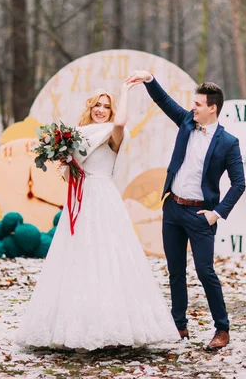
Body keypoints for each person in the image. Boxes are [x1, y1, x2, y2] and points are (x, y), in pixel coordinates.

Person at [15, 83, 179, 351]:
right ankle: (73, 326)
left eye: (107, 106)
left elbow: (122, 121)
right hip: (80, 199)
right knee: (76, 258)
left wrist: (125, 92)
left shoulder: (114, 132)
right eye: (97, 105)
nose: (101, 111)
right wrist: (65, 160)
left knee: (107, 256)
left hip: (103, 197)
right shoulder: (76, 135)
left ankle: (113, 326)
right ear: (89, 108)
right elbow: (70, 175)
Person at [125, 70, 246, 350]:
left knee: (205, 272)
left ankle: (222, 329)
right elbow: (164, 101)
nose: (193, 108)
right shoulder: (186, 122)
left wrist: (217, 213)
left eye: (198, 105)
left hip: (201, 215)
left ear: (212, 108)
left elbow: (239, 184)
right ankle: (178, 326)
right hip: (173, 209)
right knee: (175, 271)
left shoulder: (228, 143)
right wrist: (149, 79)